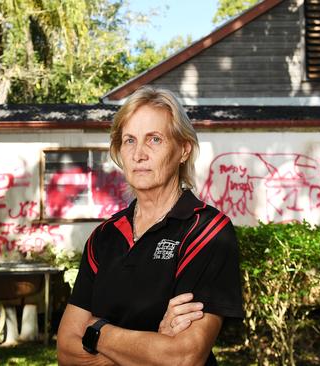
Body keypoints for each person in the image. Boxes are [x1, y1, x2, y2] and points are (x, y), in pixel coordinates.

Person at [57, 86, 243, 365]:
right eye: (129, 140)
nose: (138, 154)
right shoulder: (103, 237)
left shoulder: (208, 232)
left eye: (154, 139)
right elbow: (66, 352)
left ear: (183, 149)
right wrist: (153, 344)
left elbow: (182, 357)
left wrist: (97, 331)